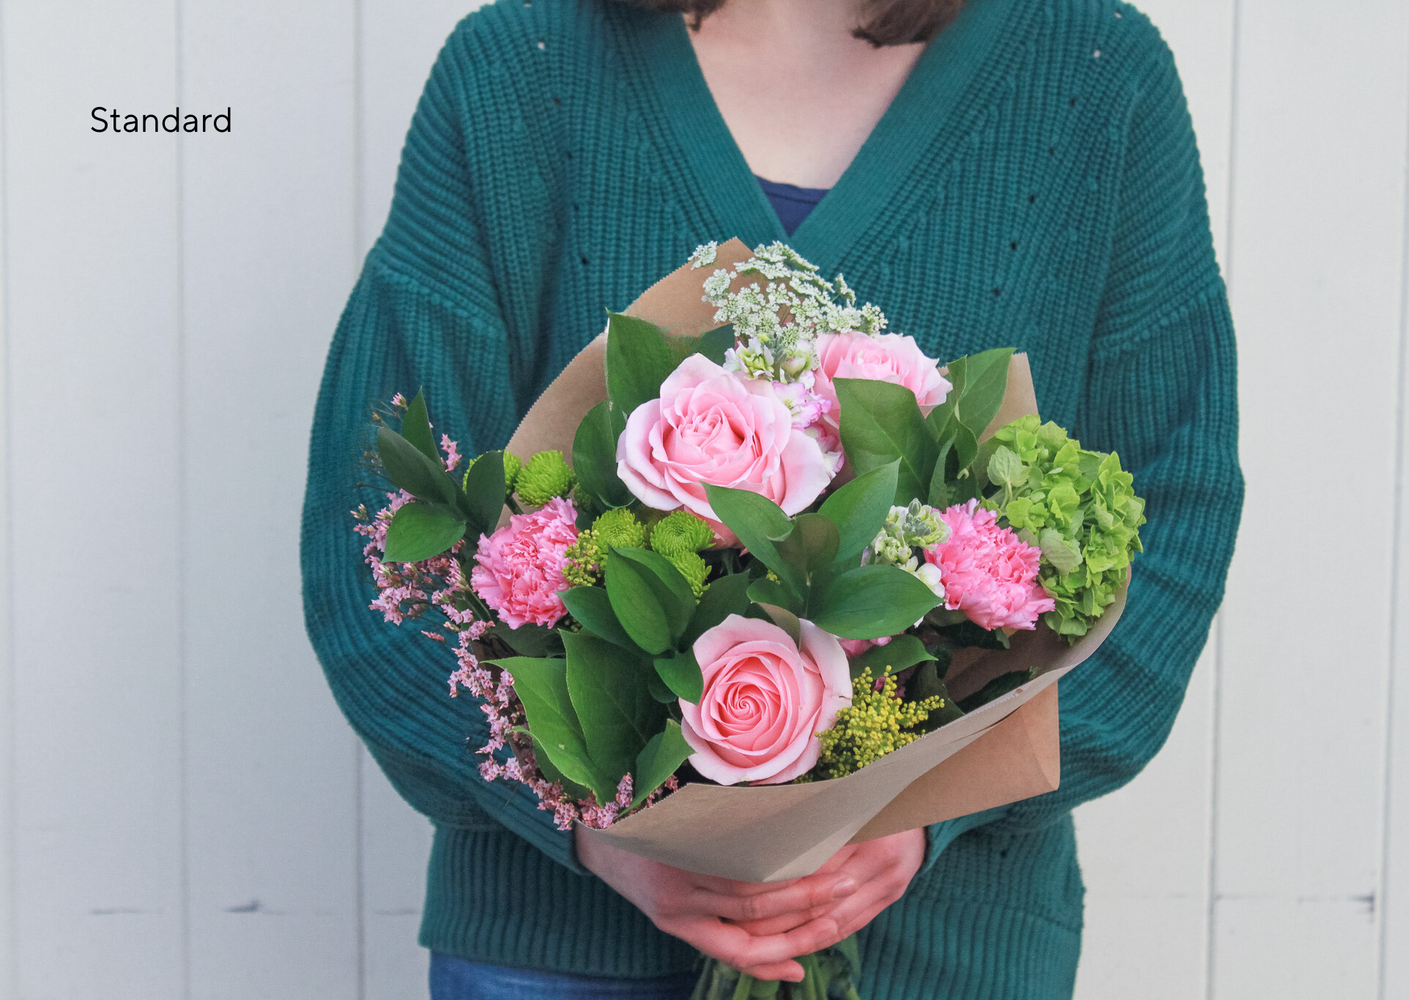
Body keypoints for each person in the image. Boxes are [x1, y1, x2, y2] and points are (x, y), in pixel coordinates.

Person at [300, 0, 1244, 996]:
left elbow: (1172, 514)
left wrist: (931, 810)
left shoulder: (1096, 73)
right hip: (565, 955)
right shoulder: (521, 67)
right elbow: (372, 531)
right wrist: (595, 832)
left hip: (944, 955)